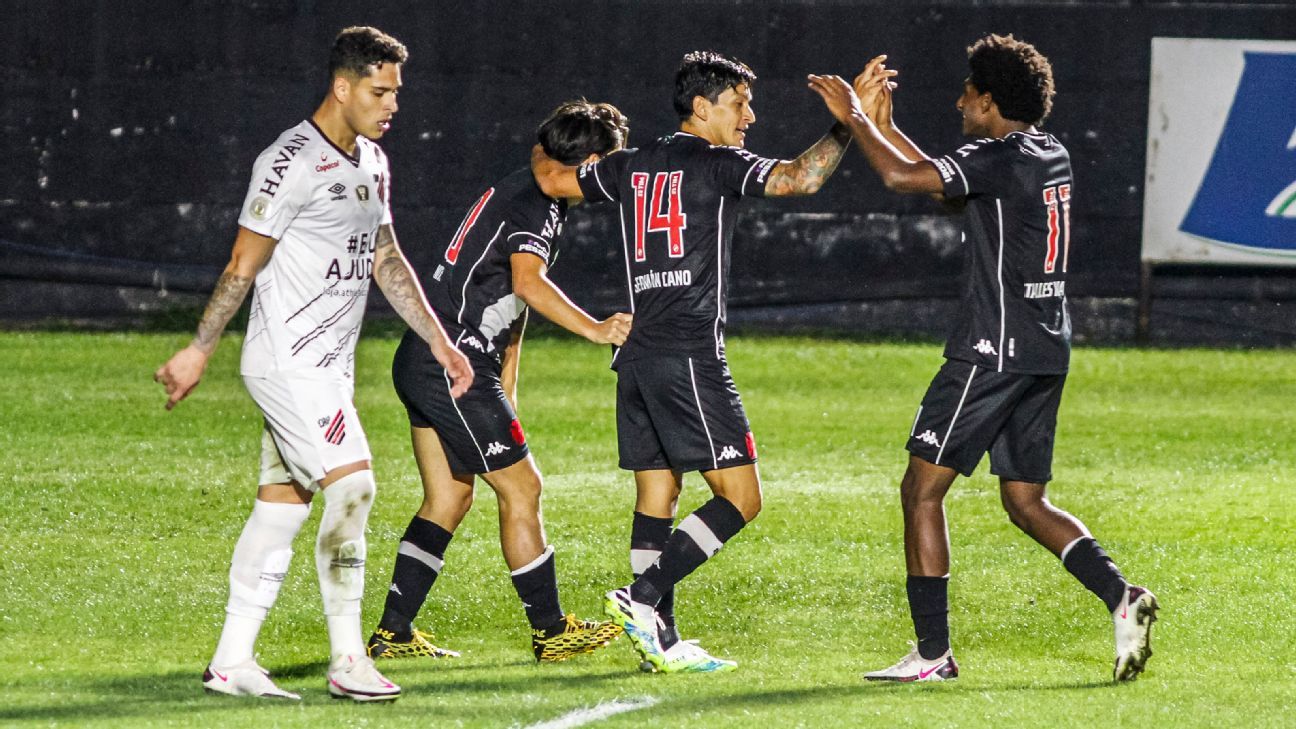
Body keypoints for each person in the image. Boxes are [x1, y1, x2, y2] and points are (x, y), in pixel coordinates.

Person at [807, 34, 1158, 682]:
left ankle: (933, 653)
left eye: (969, 91)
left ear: (991, 100)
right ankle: (1123, 595)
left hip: (992, 350)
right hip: (1045, 346)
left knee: (920, 490)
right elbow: (946, 187)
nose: (960, 99)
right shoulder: (1045, 151)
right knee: (1025, 501)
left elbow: (901, 177)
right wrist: (887, 129)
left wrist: (856, 119)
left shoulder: (998, 158)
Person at [154, 26, 473, 702]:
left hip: (329, 369)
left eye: (396, 92)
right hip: (286, 364)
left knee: (283, 506)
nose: (392, 104)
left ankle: (231, 660)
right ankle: (348, 657)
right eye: (380, 91)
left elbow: (386, 259)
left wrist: (440, 341)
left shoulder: (373, 162)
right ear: (342, 86)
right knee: (355, 486)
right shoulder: (290, 160)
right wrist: (200, 347)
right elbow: (244, 262)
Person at [532, 50, 852, 674]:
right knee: (742, 498)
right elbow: (799, 179)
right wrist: (848, 123)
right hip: (687, 355)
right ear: (702, 108)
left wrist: (547, 145)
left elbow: (551, 180)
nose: (749, 116)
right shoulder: (716, 163)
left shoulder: (628, 165)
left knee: (658, 493)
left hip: (636, 356)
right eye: (739, 103)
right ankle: (643, 598)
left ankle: (664, 644)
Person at [366, 100, 633, 663]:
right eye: (607, 166)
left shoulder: (533, 184)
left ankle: (392, 634)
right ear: (585, 162)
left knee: (448, 496)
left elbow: (507, 297)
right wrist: (596, 329)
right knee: (523, 488)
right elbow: (528, 284)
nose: (611, 180)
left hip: (428, 358)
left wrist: (507, 377)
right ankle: (551, 630)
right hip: (454, 365)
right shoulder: (535, 206)